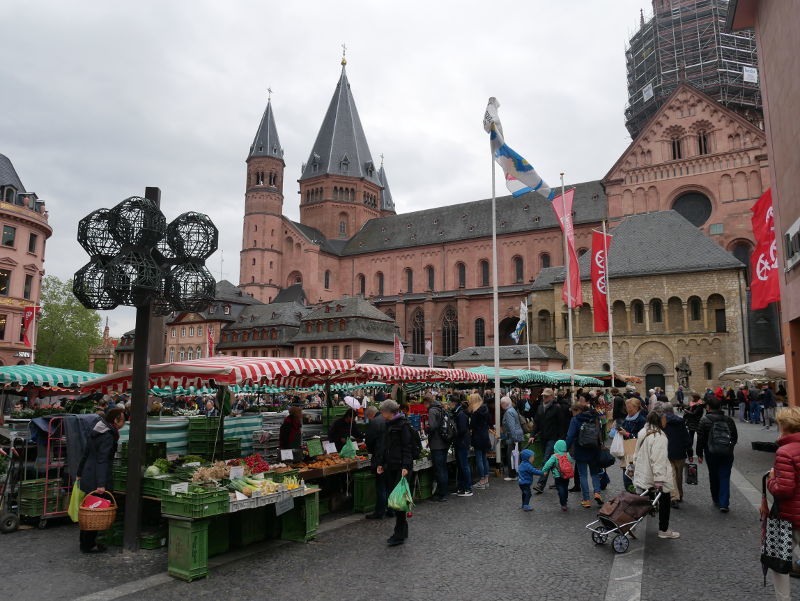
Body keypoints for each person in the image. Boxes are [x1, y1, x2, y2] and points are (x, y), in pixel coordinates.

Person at [77, 408, 126, 553]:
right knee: (95, 511)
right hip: (96, 477)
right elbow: (102, 460)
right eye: (122, 419)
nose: (124, 422)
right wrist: (101, 484)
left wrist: (79, 473)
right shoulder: (108, 435)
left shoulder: (97, 429)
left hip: (88, 472)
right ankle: (88, 544)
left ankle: (85, 542)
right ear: (116, 420)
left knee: (89, 509)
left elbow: (86, 452)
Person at [767, 407, 800, 601]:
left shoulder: (785, 451)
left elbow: (784, 490)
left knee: (778, 561)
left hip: (788, 517)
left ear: (784, 426)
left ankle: (783, 598)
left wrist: (771, 480)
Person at [634, 409, 679, 539]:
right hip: (655, 477)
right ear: (659, 420)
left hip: (644, 473)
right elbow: (658, 460)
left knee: (641, 502)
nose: (666, 420)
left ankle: (629, 523)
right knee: (665, 502)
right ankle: (663, 530)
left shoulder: (643, 431)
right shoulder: (658, 436)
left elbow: (637, 452)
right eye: (664, 418)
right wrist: (659, 480)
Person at [377, 400, 415, 546]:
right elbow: (385, 446)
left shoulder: (402, 425)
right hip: (390, 466)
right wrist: (381, 463)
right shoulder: (389, 424)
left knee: (399, 502)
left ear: (388, 412)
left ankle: (399, 534)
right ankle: (402, 530)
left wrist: (405, 466)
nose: (381, 414)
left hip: (400, 467)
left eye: (382, 411)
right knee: (398, 500)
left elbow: (407, 447)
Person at [696, 397, 737, 512]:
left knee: (713, 475)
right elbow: (734, 437)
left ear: (708, 407)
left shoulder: (704, 420)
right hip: (727, 452)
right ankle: (724, 503)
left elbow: (701, 438)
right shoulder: (729, 420)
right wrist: (729, 447)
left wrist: (699, 453)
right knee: (725, 476)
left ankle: (716, 499)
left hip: (711, 452)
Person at [565, 399, 603, 508]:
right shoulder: (594, 417)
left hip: (580, 448)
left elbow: (570, 436)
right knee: (594, 473)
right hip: (594, 448)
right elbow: (599, 432)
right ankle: (597, 493)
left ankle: (586, 499)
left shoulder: (575, 419)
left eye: (573, 411)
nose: (572, 413)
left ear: (577, 410)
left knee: (583, 475)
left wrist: (565, 448)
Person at [532, 388, 569, 494]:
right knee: (552, 462)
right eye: (543, 396)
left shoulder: (557, 408)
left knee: (546, 460)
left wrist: (561, 440)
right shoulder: (540, 407)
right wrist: (532, 435)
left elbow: (562, 424)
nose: (544, 398)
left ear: (552, 396)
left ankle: (540, 484)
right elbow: (536, 423)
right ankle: (559, 481)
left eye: (547, 396)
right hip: (544, 437)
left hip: (554, 438)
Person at [661, 402, 691, 508]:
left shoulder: (662, 423)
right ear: (672, 410)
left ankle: (674, 497)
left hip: (667, 452)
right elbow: (686, 438)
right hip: (680, 452)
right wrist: (690, 452)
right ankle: (679, 495)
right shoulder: (681, 422)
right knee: (678, 475)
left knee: (671, 475)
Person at [422, 394, 450, 502]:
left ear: (426, 403)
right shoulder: (441, 408)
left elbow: (432, 426)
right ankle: (444, 491)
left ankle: (441, 494)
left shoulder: (432, 411)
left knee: (439, 469)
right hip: (444, 442)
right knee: (443, 468)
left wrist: (427, 429)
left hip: (437, 444)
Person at [364, 406, 390, 519]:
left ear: (370, 415)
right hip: (391, 457)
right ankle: (391, 509)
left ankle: (379, 512)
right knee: (389, 485)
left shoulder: (375, 422)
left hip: (380, 458)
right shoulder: (389, 418)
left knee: (381, 486)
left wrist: (372, 451)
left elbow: (369, 441)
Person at [619, 397, 647, 491]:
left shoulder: (642, 420)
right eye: (627, 407)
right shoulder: (627, 418)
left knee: (634, 475)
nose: (628, 409)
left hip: (636, 451)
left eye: (630, 408)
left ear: (636, 408)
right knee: (626, 474)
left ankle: (635, 495)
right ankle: (630, 493)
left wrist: (627, 434)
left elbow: (641, 437)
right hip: (627, 450)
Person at [542, 439, 574, 511]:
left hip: (558, 476)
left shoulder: (554, 456)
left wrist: (544, 470)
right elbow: (572, 461)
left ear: (555, 447)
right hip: (566, 475)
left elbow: (548, 464)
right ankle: (565, 500)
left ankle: (563, 504)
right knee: (565, 487)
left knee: (560, 488)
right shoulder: (567, 455)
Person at [452, 393, 473, 497]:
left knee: (464, 465)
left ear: (453, 403)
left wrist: (453, 433)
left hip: (462, 442)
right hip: (461, 442)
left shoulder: (460, 414)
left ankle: (468, 488)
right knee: (461, 465)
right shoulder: (459, 412)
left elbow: (462, 430)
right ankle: (461, 487)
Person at [469, 393, 492, 489]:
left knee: (479, 459)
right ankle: (486, 479)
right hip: (485, 436)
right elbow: (489, 422)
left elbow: (472, 426)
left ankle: (482, 480)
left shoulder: (475, 412)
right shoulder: (485, 410)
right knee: (484, 458)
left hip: (478, 437)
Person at [501, 396, 525, 481]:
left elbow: (511, 427)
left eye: (501, 403)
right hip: (517, 435)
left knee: (511, 456)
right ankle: (517, 474)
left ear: (504, 404)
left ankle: (513, 475)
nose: (501, 405)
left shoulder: (508, 412)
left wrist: (514, 439)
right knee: (516, 456)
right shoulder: (512, 410)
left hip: (513, 437)